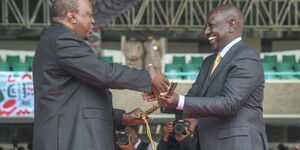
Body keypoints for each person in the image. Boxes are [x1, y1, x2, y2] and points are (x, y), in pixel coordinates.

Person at [32, 0, 169, 150]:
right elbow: (104, 73)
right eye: (89, 15)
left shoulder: (58, 39)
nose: (93, 20)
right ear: (71, 17)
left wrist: (121, 117)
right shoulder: (62, 39)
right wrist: (148, 78)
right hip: (69, 140)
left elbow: (79, 99)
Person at [144, 4, 268, 150]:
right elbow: (191, 99)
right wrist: (164, 95)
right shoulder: (209, 62)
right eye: (205, 27)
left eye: (211, 26)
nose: (206, 31)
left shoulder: (246, 57)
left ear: (232, 25)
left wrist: (180, 100)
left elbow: (229, 103)